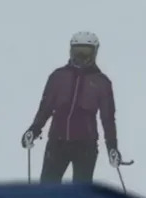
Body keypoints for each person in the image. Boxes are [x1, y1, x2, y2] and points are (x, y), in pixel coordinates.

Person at [21, 31, 124, 183]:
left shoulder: (102, 83)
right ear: (71, 51)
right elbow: (45, 108)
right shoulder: (58, 77)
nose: (81, 57)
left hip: (85, 146)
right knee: (48, 189)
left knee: (81, 195)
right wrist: (33, 130)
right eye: (77, 52)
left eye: (86, 52)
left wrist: (112, 147)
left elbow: (108, 118)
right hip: (57, 143)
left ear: (95, 52)